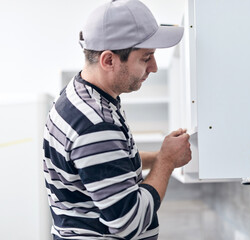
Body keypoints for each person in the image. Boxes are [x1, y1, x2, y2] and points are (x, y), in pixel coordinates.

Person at [42, 0, 192, 239]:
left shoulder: (79, 95)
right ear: (109, 60)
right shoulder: (94, 122)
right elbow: (129, 223)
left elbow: (104, 166)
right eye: (146, 57)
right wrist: (166, 162)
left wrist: (159, 157)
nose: (153, 67)